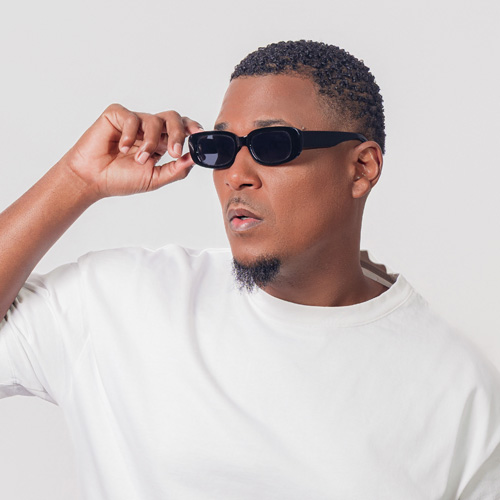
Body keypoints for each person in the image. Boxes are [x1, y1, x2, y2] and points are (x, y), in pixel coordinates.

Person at [1, 40, 499, 500]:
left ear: (362, 168)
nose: (235, 176)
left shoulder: (456, 390)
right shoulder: (122, 303)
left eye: (273, 145)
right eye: (219, 148)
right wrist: (77, 179)